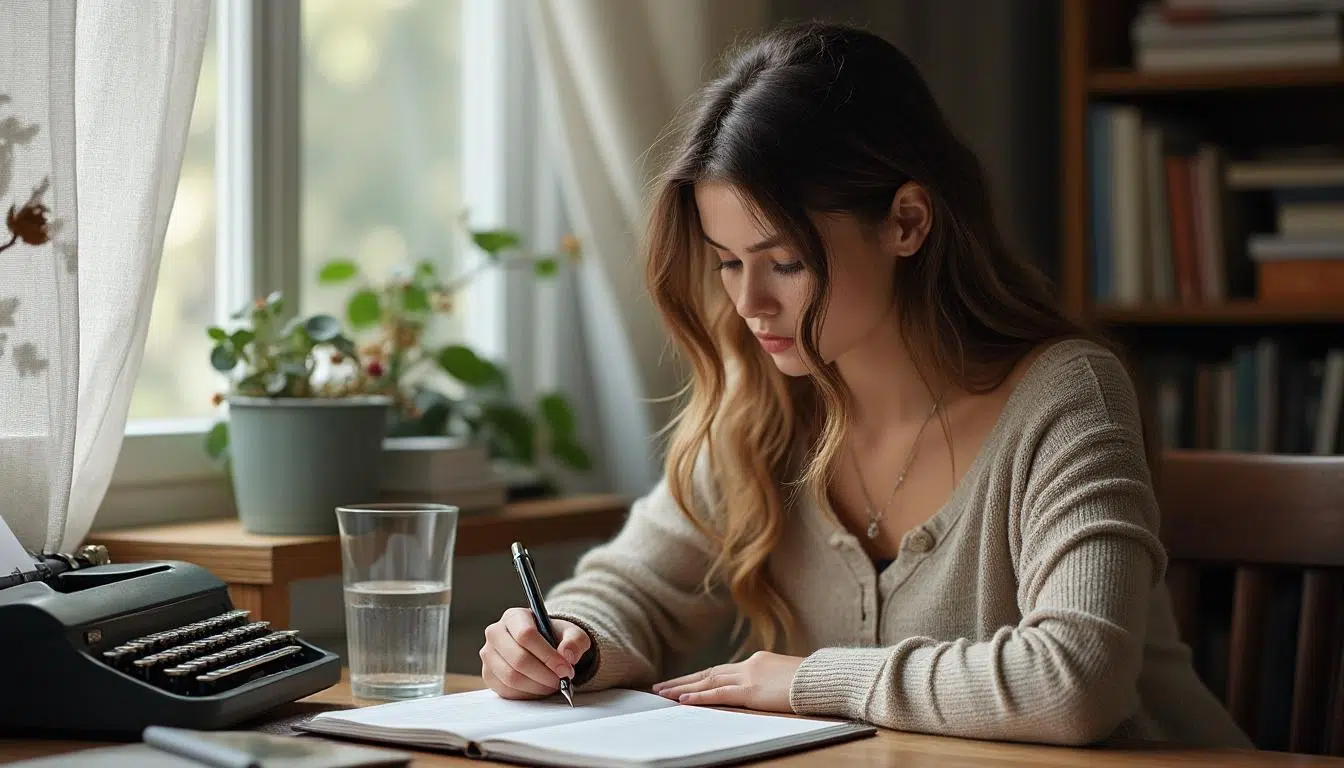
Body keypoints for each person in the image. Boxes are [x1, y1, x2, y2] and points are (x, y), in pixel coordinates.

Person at [478, 21, 1250, 749]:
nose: (749, 304)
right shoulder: (767, 405)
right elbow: (635, 588)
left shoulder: (1067, 396)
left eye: (784, 263)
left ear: (907, 222)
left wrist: (811, 682)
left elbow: (1075, 680)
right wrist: (560, 641)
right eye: (727, 261)